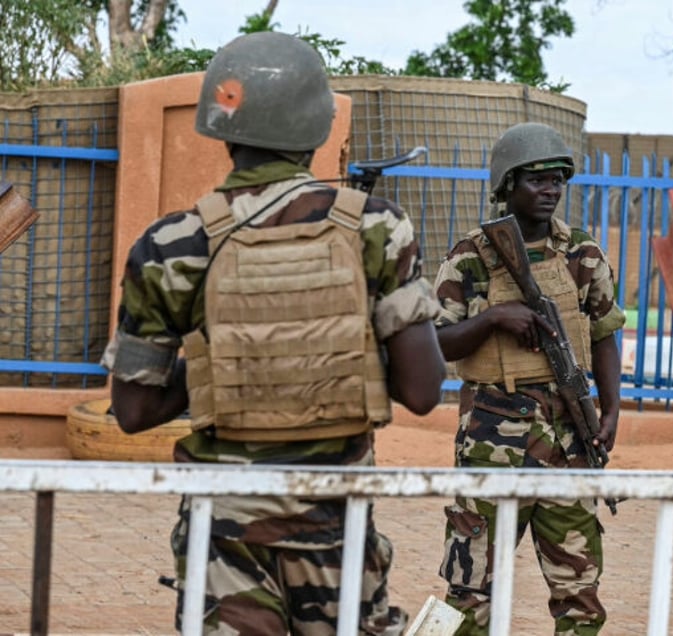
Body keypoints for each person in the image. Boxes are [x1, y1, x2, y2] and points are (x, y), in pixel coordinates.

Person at [101, 31, 446, 635]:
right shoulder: (375, 227)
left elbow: (132, 408)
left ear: (220, 125)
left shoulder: (170, 245)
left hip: (223, 535)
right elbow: (422, 390)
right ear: (318, 128)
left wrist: (227, 360)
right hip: (336, 527)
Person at [433, 122, 626, 635]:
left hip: (568, 441)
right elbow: (434, 342)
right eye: (537, 180)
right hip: (492, 441)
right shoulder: (471, 256)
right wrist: (493, 319)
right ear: (508, 185)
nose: (550, 191)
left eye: (558, 180)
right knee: (469, 591)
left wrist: (611, 410)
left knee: (580, 595)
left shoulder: (582, 253)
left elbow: (605, 332)